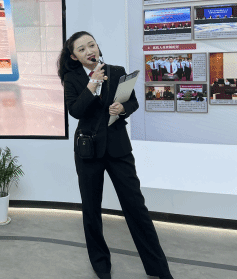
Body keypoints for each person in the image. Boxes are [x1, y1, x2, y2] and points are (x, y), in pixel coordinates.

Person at [57, 32, 173, 279]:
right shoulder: (73, 78)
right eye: (81, 49)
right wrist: (92, 85)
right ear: (74, 57)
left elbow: (133, 102)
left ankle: (159, 269)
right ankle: (101, 265)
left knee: (136, 207)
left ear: (98, 47)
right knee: (91, 210)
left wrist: (123, 108)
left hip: (118, 149)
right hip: (88, 151)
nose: (89, 51)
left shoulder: (117, 71)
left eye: (92, 45)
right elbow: (75, 111)